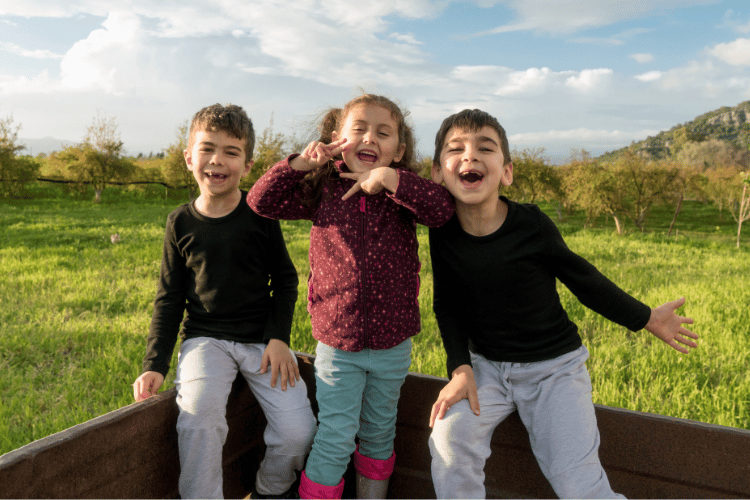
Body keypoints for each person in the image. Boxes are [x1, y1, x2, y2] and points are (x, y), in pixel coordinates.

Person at [427, 109, 699, 499]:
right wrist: (460, 368)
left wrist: (646, 318)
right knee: (449, 443)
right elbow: (447, 303)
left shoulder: (532, 226)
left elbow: (583, 279)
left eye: (485, 148)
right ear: (438, 171)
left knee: (577, 482)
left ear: (506, 172)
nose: (469, 156)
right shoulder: (442, 231)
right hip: (485, 370)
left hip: (553, 370)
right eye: (456, 149)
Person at [247, 93, 454, 499]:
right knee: (336, 436)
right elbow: (260, 200)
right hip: (338, 344)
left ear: (400, 149)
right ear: (337, 137)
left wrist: (393, 181)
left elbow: (442, 210)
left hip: (393, 343)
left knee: (379, 433)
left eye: (383, 132)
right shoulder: (321, 190)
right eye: (358, 128)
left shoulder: (403, 198)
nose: (369, 138)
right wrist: (303, 163)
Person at [132, 103, 316, 499]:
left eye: (231, 152)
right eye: (207, 148)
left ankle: (269, 489)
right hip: (205, 340)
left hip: (261, 343)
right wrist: (155, 365)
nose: (217, 160)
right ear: (188, 157)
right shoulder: (179, 222)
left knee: (299, 430)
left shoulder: (260, 213)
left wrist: (278, 339)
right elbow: (169, 298)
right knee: (199, 420)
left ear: (247, 164)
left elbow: (284, 279)